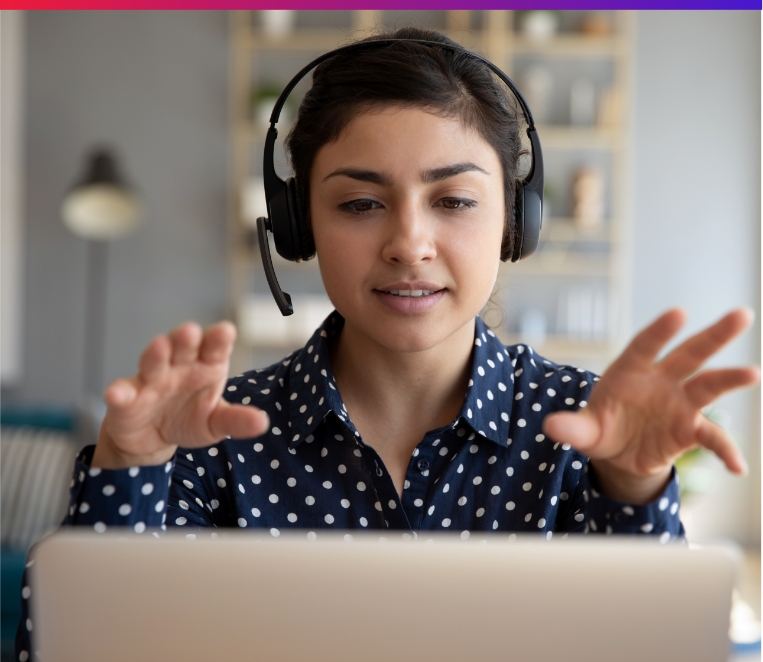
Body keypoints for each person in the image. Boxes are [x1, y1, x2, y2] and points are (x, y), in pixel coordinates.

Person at [16, 26, 759, 661]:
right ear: (299, 226)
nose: (409, 243)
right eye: (360, 203)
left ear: (514, 222)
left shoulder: (584, 430)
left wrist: (629, 489)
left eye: (454, 200)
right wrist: (129, 470)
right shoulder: (209, 435)